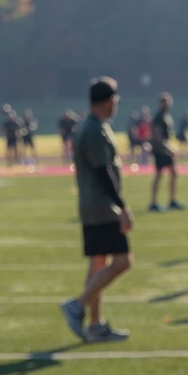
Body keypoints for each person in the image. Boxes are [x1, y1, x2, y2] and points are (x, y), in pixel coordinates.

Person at [60, 76, 133, 343]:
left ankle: (95, 323)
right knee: (123, 261)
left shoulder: (89, 126)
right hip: (102, 208)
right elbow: (104, 174)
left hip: (92, 206)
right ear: (109, 100)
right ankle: (77, 306)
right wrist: (122, 207)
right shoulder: (96, 130)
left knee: (98, 263)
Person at [149, 92, 185, 212]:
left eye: (168, 102)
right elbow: (157, 136)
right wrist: (169, 147)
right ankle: (153, 203)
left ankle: (172, 200)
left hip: (165, 151)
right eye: (164, 102)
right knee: (159, 175)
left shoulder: (166, 116)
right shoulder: (158, 117)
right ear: (160, 103)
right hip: (160, 150)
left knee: (174, 173)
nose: (167, 104)